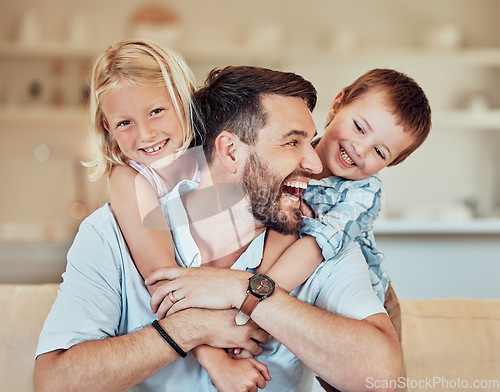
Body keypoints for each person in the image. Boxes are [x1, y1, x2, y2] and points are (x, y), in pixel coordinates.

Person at [35, 65, 401, 392]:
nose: (313, 161)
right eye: (292, 141)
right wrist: (191, 328)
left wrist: (244, 290)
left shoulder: (320, 240)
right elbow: (57, 381)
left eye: (309, 140)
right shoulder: (110, 234)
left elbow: (381, 377)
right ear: (229, 152)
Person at [81, 38, 271, 390]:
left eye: (156, 111)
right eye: (125, 123)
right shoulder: (129, 179)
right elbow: (161, 277)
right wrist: (216, 362)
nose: (146, 134)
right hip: (190, 357)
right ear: (107, 127)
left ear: (183, 98)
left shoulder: (221, 156)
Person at [250, 68, 431, 392]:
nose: (360, 149)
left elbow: (314, 247)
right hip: (303, 285)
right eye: (359, 128)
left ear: (392, 163)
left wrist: (253, 301)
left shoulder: (364, 193)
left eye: (379, 152)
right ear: (337, 105)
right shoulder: (289, 155)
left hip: (368, 303)